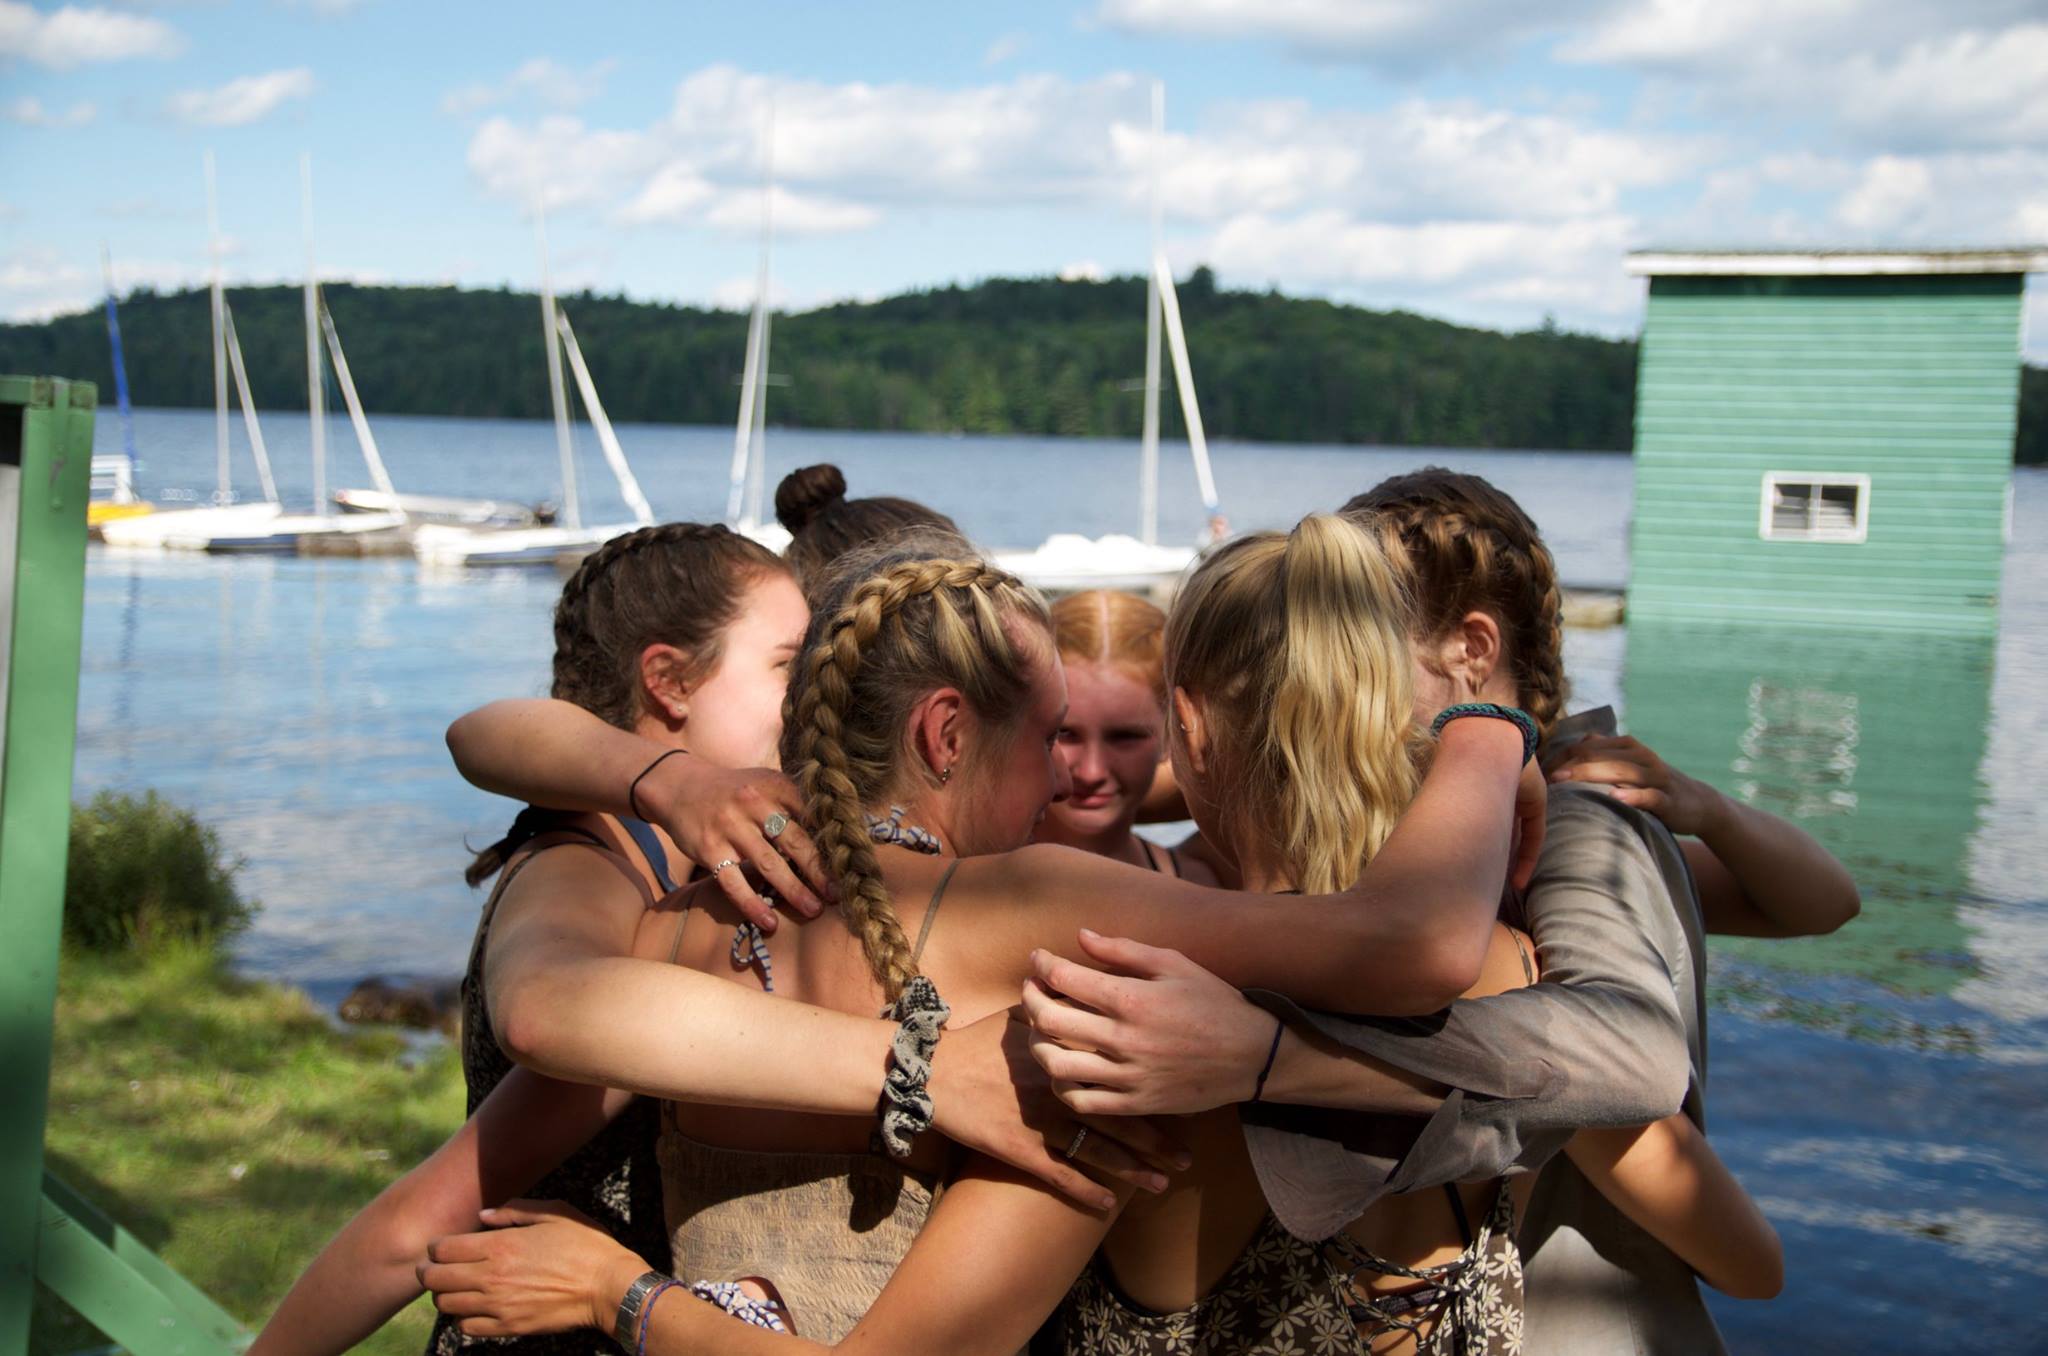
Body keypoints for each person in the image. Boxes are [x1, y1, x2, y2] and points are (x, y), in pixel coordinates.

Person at [414, 527, 1541, 1350]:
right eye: (1048, 737)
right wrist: (1490, 734)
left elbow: (531, 991)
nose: (1066, 779)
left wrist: (658, 778)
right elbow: (1414, 945)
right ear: (946, 733)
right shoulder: (1029, 908)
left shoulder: (685, 918)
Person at [247, 522, 1171, 1356]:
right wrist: (916, 1066)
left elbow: (1105, 787)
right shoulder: (595, 863)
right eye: (788, 666)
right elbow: (530, 1001)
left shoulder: (751, 869)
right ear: (668, 683)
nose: (817, 692)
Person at [1022, 468, 1849, 1349]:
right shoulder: (1521, 973)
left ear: (1183, 729)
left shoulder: (1133, 1018)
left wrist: (1274, 1058)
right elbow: (1753, 1264)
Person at [1033, 590, 1216, 883]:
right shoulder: (964, 876)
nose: (1092, 772)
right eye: (1064, 733)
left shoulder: (1204, 881)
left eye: (1124, 737)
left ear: (1173, 733)